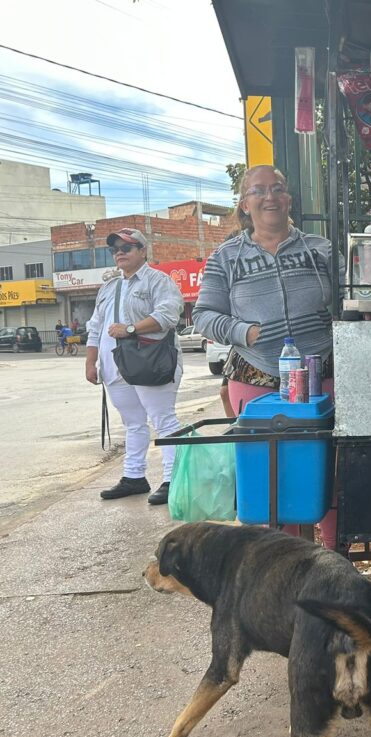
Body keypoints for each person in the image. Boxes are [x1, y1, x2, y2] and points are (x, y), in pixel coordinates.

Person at [193, 165, 338, 546]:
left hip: (321, 375)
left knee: (331, 472)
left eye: (277, 188)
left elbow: (353, 296)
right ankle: (284, 566)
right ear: (244, 204)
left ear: (288, 199)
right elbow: (203, 315)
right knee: (274, 481)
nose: (269, 197)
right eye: (258, 191)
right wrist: (245, 332)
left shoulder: (321, 249)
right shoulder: (225, 257)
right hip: (255, 379)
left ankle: (335, 558)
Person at [85, 228, 184, 505]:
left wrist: (130, 329)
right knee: (132, 423)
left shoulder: (158, 281)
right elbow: (96, 327)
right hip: (114, 366)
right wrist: (91, 361)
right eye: (115, 249)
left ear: (142, 251)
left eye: (126, 248)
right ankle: (134, 477)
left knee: (164, 420)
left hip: (149, 362)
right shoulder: (109, 287)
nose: (120, 253)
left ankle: (173, 479)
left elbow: (168, 314)